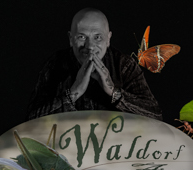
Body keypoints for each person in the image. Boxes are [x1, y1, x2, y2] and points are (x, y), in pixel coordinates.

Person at [28, 8, 162, 119]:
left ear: (108, 39)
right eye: (81, 37)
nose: (90, 46)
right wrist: (74, 91)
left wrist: (113, 92)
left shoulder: (124, 64)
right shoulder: (55, 64)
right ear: (70, 39)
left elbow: (155, 115)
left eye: (97, 37)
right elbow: (31, 119)